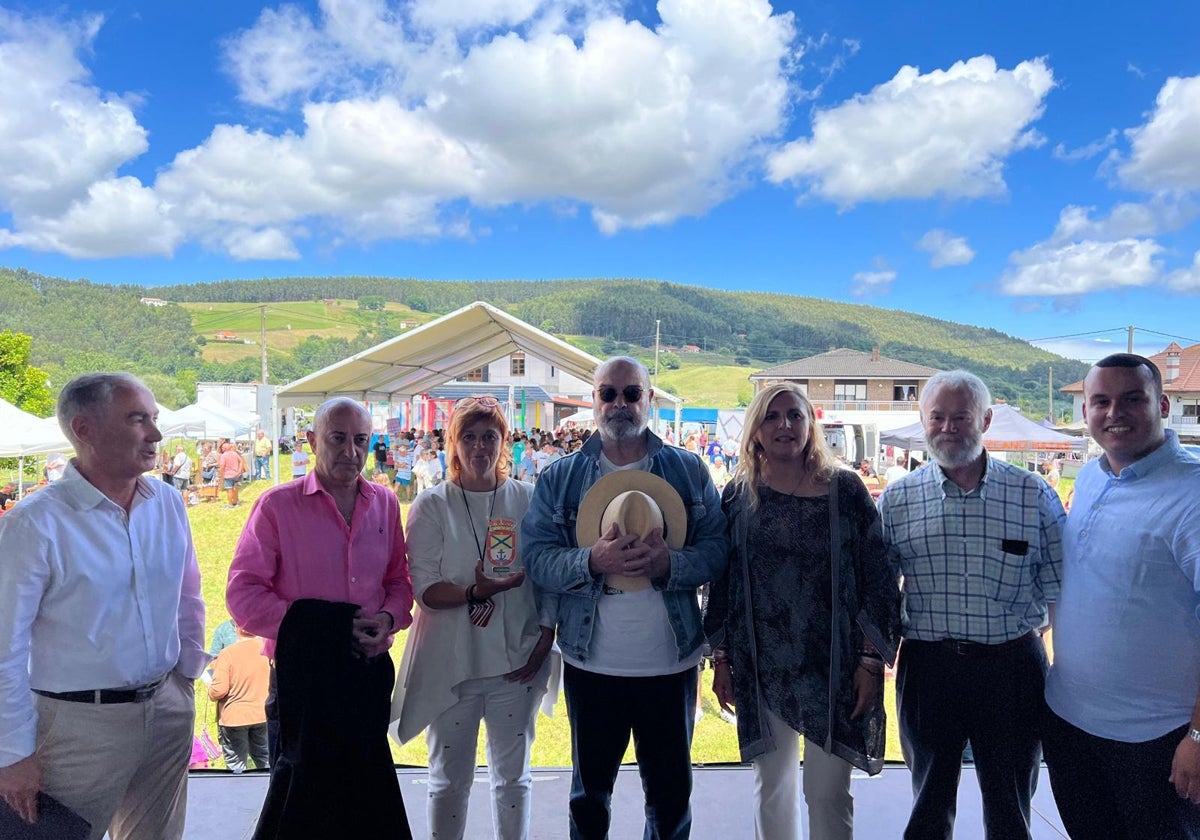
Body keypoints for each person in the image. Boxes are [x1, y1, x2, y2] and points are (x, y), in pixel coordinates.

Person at [523, 356, 728, 839]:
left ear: (649, 400)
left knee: (671, 800)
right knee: (589, 799)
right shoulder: (560, 477)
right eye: (608, 393)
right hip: (591, 663)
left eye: (631, 393)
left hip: (670, 663)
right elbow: (536, 558)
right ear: (594, 402)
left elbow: (718, 550)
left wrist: (670, 565)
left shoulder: (689, 469)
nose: (620, 403)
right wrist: (591, 562)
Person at [0, 372, 207, 839]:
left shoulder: (168, 503)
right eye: (138, 420)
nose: (155, 434)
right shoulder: (33, 525)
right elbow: (4, 648)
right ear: (83, 430)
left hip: (167, 708)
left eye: (154, 419)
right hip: (77, 727)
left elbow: (187, 595)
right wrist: (11, 753)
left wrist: (186, 676)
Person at [705, 383, 900, 840]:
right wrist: (722, 660)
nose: (784, 425)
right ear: (755, 430)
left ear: (811, 424)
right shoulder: (737, 496)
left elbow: (879, 575)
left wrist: (871, 661)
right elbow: (725, 583)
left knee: (828, 792)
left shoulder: (845, 490)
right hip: (761, 665)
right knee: (772, 786)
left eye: (794, 415)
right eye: (772, 417)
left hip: (833, 669)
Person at [878, 370, 1065, 840]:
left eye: (960, 417)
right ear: (922, 421)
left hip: (1012, 669)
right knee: (928, 805)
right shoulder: (898, 499)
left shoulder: (1032, 493)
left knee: (1010, 808)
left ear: (985, 419)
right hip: (928, 668)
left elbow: (1062, 586)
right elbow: (880, 589)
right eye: (936, 417)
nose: (947, 428)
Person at [1042, 353, 1200, 838]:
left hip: (1156, 738)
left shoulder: (1192, 494)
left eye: (1133, 399)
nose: (1115, 413)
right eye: (1101, 401)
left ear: (1164, 404)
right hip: (1070, 724)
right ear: (1085, 411)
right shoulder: (1090, 477)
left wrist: (1198, 736)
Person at [392, 395, 556, 839]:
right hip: (453, 666)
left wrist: (545, 638)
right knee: (448, 781)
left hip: (515, 663)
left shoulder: (527, 499)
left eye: (490, 436)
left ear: (504, 442)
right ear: (453, 443)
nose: (480, 446)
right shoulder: (432, 505)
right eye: (469, 436)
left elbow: (547, 578)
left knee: (513, 780)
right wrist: (473, 591)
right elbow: (424, 589)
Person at [226, 397, 414, 775]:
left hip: (368, 669)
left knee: (364, 795)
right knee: (300, 798)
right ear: (312, 440)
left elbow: (399, 582)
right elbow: (243, 596)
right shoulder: (276, 506)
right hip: (303, 676)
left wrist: (387, 618)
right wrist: (324, 626)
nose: (351, 451)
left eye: (360, 440)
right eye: (338, 438)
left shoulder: (386, 504)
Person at [208, 626, 271, 774]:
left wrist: (210, 689)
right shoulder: (268, 649)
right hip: (263, 714)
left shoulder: (228, 654)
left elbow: (218, 691)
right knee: (266, 760)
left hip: (234, 719)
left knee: (236, 766)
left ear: (237, 628)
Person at [218, 441, 245, 508]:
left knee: (229, 489)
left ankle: (230, 504)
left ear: (224, 448)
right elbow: (241, 461)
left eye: (222, 448)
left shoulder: (223, 456)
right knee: (235, 488)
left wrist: (220, 475)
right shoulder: (234, 453)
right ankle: (236, 502)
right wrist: (239, 470)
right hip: (236, 474)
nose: (221, 449)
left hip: (228, 475)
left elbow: (222, 466)